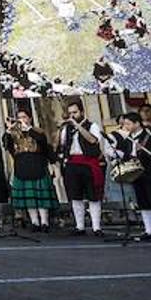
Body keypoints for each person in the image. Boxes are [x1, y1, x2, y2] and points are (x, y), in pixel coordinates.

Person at [111, 112, 151, 242]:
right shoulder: (128, 139)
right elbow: (128, 155)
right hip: (136, 174)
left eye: (128, 124)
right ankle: (149, 230)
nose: (125, 126)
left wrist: (142, 149)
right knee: (143, 202)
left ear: (137, 123)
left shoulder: (150, 136)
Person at [58, 100, 108, 236]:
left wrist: (78, 126)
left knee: (93, 196)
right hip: (72, 163)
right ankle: (79, 226)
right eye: (70, 113)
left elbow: (93, 140)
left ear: (82, 112)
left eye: (75, 112)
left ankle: (96, 227)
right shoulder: (67, 129)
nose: (72, 116)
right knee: (75, 196)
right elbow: (62, 145)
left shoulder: (92, 126)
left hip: (88, 163)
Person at [2, 110, 55, 232]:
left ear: (29, 118)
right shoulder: (14, 133)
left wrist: (27, 128)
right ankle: (35, 222)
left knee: (41, 197)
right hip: (22, 167)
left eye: (24, 117)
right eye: (19, 117)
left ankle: (45, 222)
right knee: (30, 199)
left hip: (38, 166)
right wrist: (9, 130)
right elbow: (6, 144)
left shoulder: (37, 131)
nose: (21, 119)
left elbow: (42, 141)